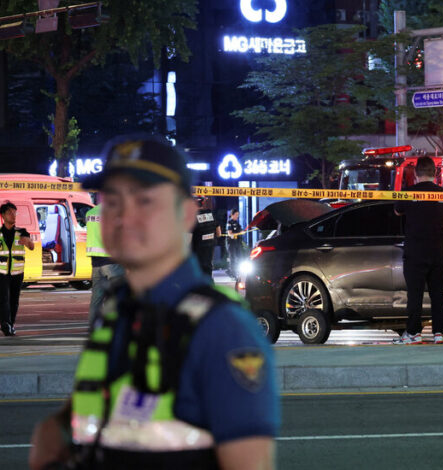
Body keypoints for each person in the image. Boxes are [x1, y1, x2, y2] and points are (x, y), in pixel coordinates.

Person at [29, 135, 279, 470]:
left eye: (144, 200)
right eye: (113, 200)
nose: (124, 217)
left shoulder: (222, 328)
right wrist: (55, 428)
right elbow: (98, 408)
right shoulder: (117, 312)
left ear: (186, 214)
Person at [392, 156, 443, 345]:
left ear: (416, 174)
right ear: (435, 173)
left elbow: (397, 211)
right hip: (438, 251)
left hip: (416, 251)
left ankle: (414, 333)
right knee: (437, 293)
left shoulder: (409, 192)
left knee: (415, 295)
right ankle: (439, 333)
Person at [85, 202, 125, 326]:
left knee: (96, 298)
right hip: (111, 262)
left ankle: (93, 326)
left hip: (95, 262)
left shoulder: (90, 213)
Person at [0, 201, 34, 336]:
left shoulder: (22, 232)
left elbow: (31, 247)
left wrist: (28, 242)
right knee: (3, 299)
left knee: (14, 300)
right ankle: (5, 324)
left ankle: (10, 324)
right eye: (10, 213)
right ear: (2, 215)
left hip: (17, 272)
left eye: (15, 213)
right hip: (1, 272)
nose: (13, 215)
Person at [191, 196, 222, 276]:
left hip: (197, 252)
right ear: (203, 203)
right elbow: (219, 234)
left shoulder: (192, 218)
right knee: (208, 270)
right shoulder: (210, 214)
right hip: (209, 248)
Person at [226, 209, 244, 278]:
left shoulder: (237, 222)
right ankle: (232, 273)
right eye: (236, 215)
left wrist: (242, 231)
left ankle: (238, 272)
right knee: (232, 258)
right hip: (231, 243)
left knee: (239, 257)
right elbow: (230, 233)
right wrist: (239, 233)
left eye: (238, 215)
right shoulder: (229, 222)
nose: (237, 216)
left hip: (237, 242)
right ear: (232, 215)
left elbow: (240, 230)